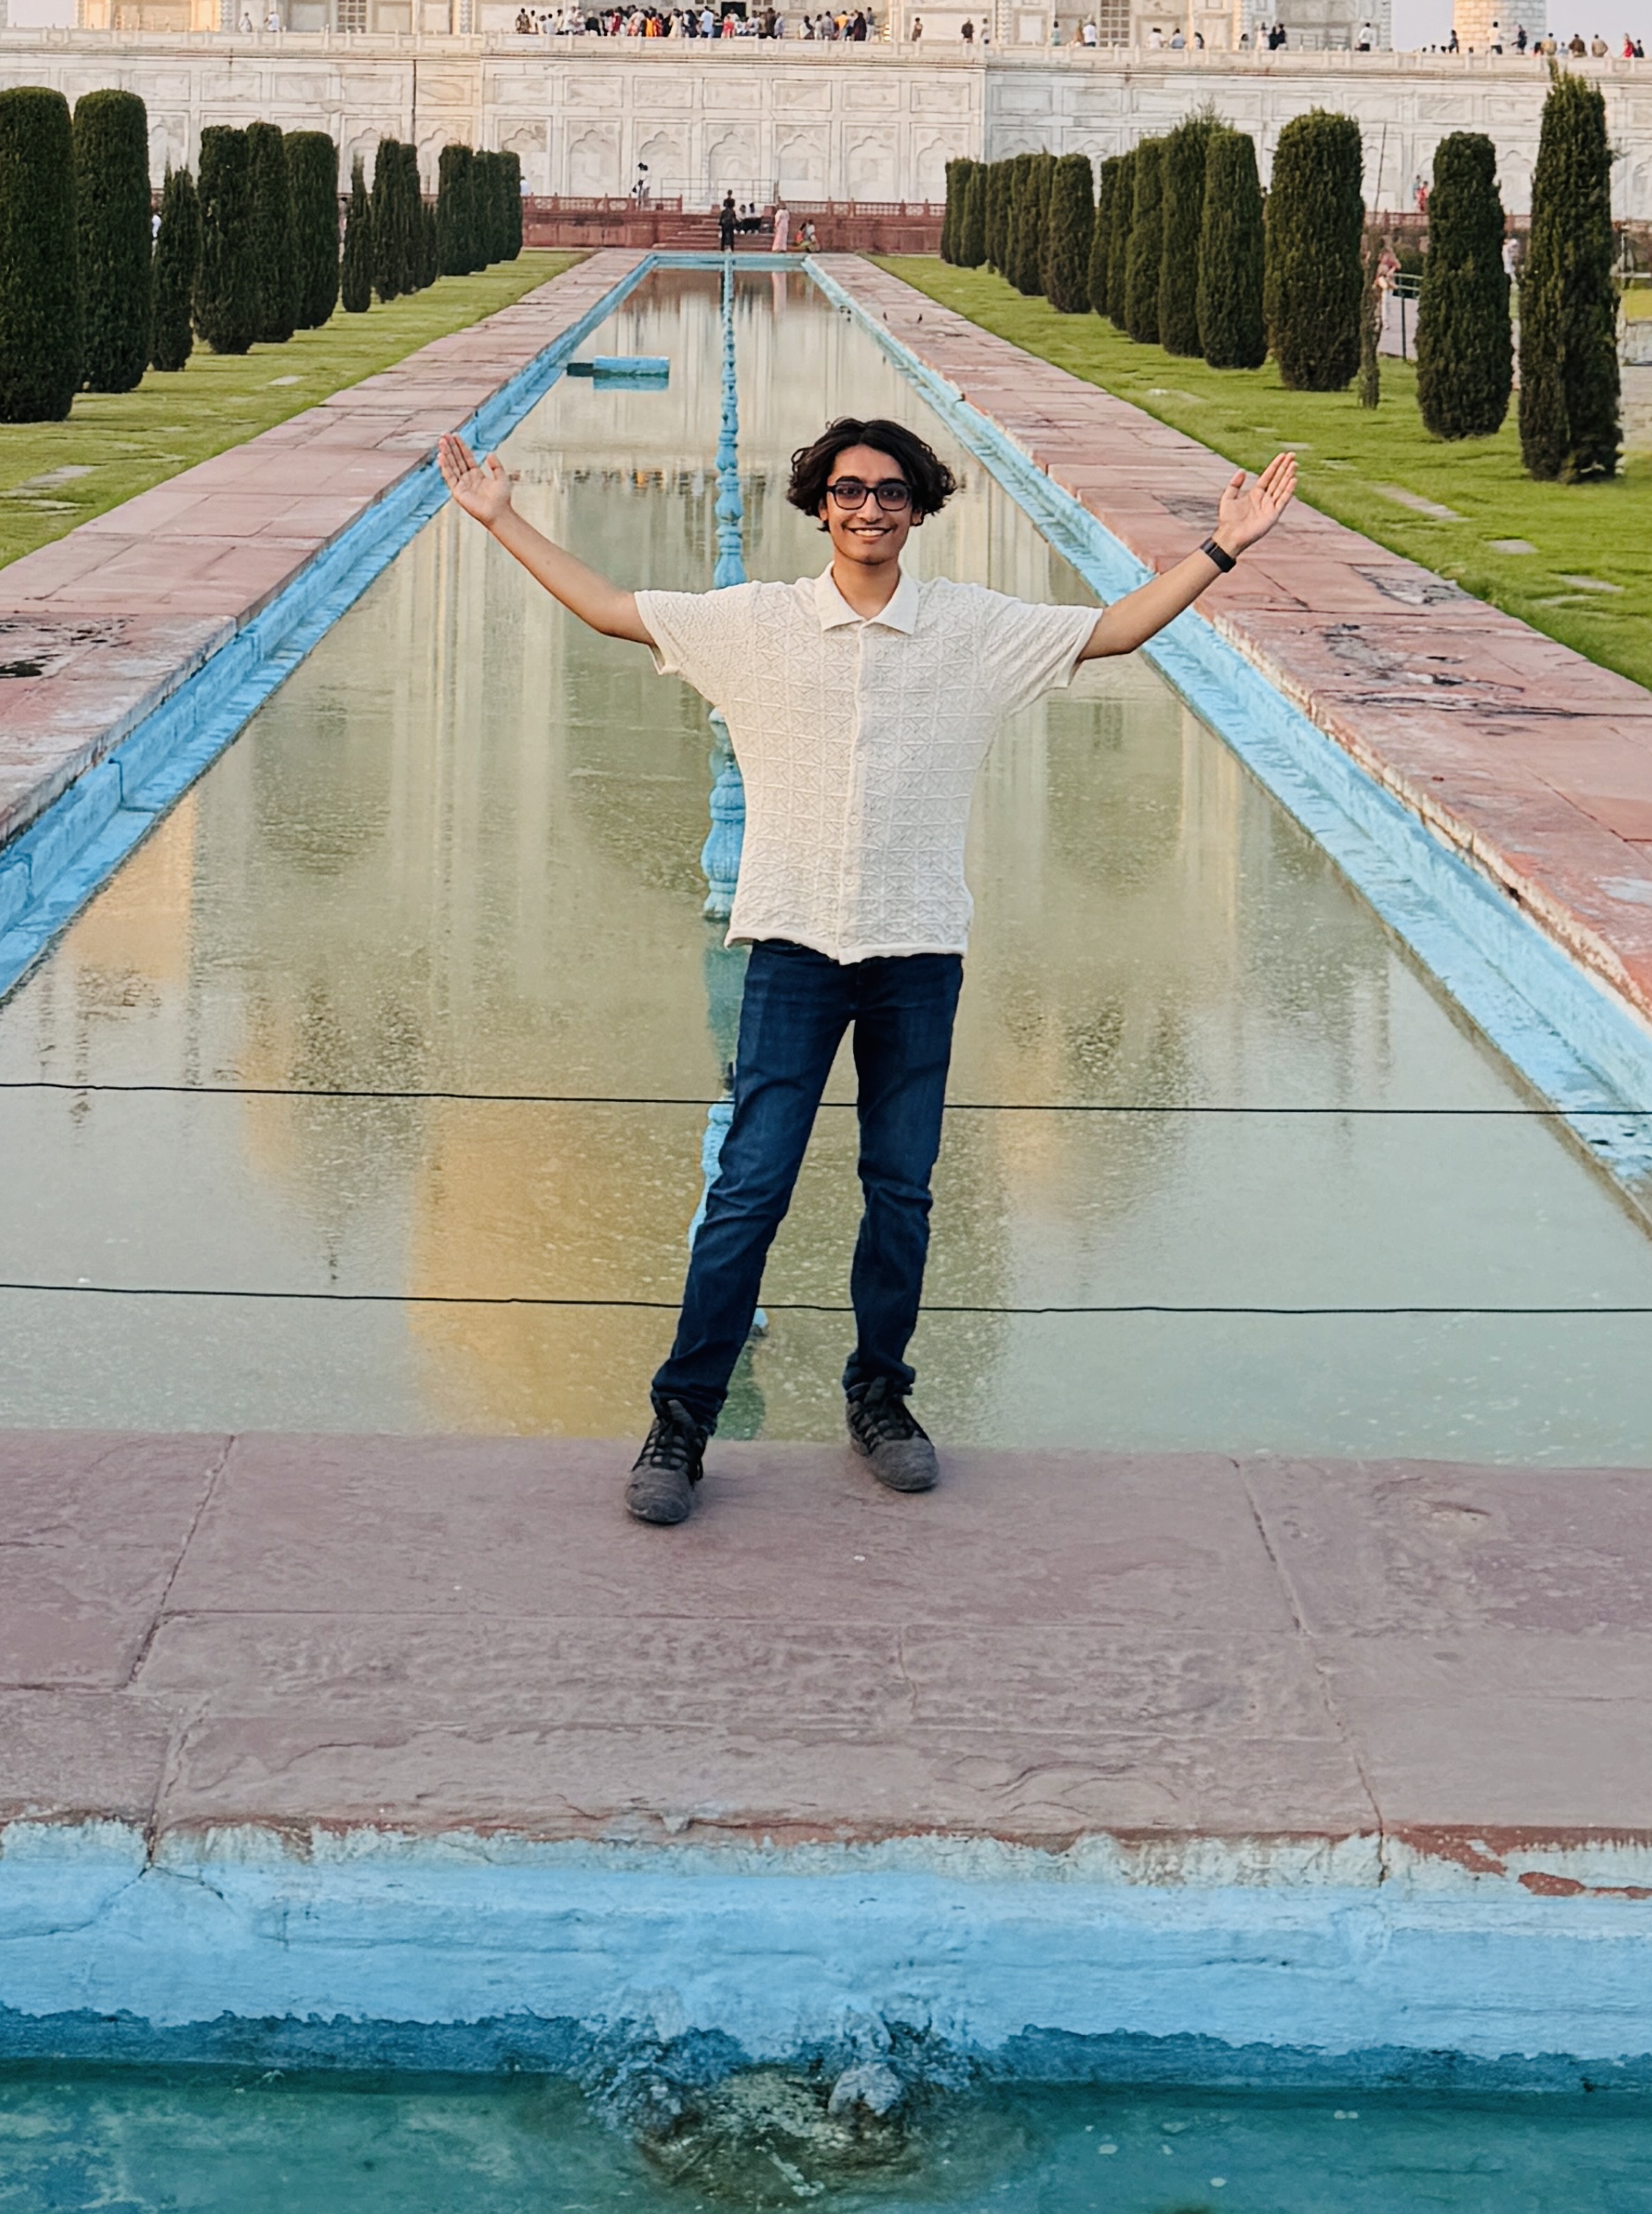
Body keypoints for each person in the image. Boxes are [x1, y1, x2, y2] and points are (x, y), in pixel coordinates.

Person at [435, 404, 1298, 1523]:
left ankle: (881, 1399)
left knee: (902, 1192)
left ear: (920, 508)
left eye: (891, 492)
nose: (868, 510)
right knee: (748, 1191)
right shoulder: (757, 624)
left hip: (916, 950)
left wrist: (1223, 548)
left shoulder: (972, 631)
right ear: (818, 505)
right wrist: (502, 519)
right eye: (849, 490)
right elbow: (608, 609)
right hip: (795, 947)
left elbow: (1117, 630)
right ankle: (681, 1422)